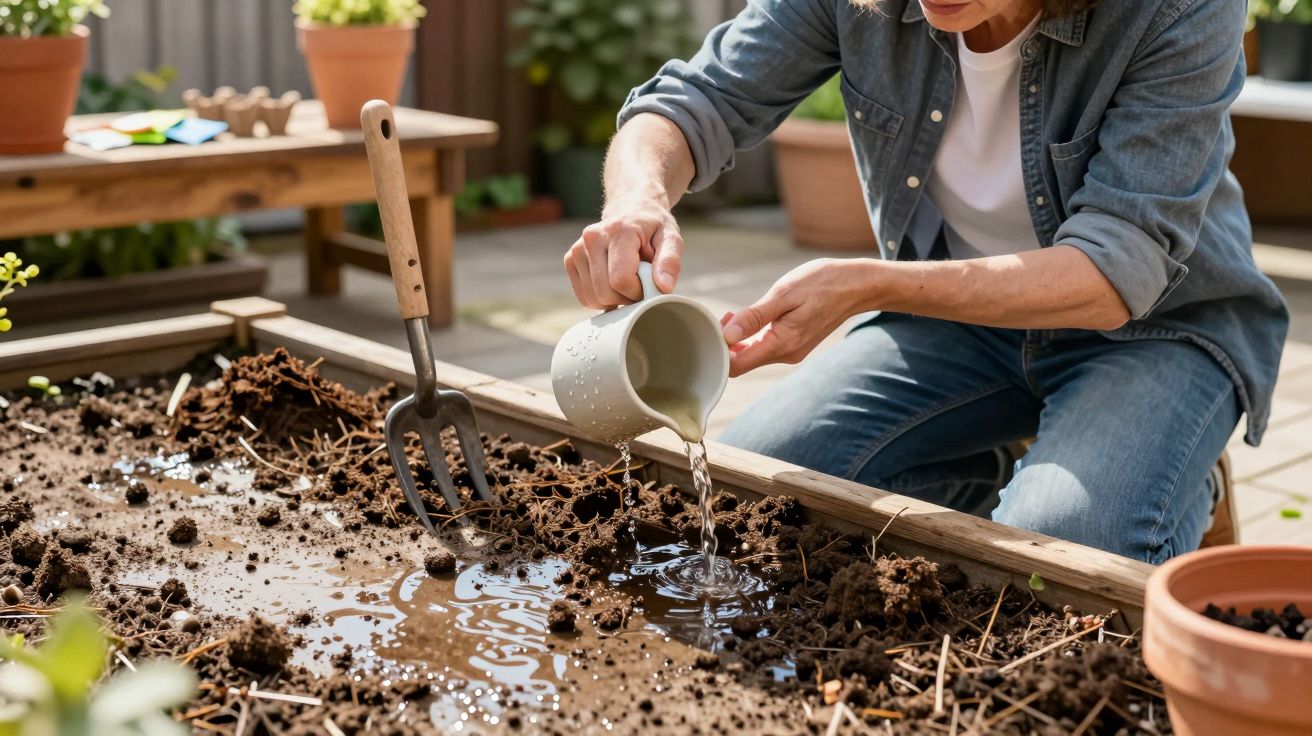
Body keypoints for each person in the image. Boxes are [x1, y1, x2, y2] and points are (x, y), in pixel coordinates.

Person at [561, 0, 1288, 563]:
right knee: (771, 483)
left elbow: (1112, 269)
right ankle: (1012, 468)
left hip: (1155, 329)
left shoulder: (1176, 9)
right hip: (958, 330)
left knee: (1059, 545)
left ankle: (1177, 486)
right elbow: (696, 99)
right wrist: (637, 197)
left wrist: (869, 285)